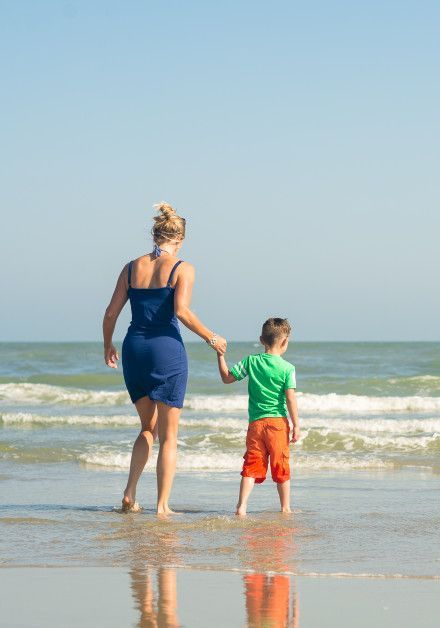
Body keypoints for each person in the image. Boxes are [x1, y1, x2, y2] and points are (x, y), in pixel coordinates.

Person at [103, 202, 227, 514]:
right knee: (169, 437)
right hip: (166, 350)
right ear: (180, 239)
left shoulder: (131, 267)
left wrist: (108, 345)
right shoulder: (183, 268)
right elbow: (182, 312)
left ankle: (130, 491)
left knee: (148, 428)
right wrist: (212, 337)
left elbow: (110, 313)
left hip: (134, 349)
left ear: (155, 234)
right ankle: (162, 506)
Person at [217, 317, 300, 515]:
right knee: (280, 464)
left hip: (256, 424)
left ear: (262, 340)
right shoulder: (287, 368)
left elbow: (227, 378)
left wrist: (220, 356)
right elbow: (290, 399)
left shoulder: (251, 361)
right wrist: (296, 425)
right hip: (277, 424)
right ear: (285, 342)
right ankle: (285, 507)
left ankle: (242, 506)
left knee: (251, 464)